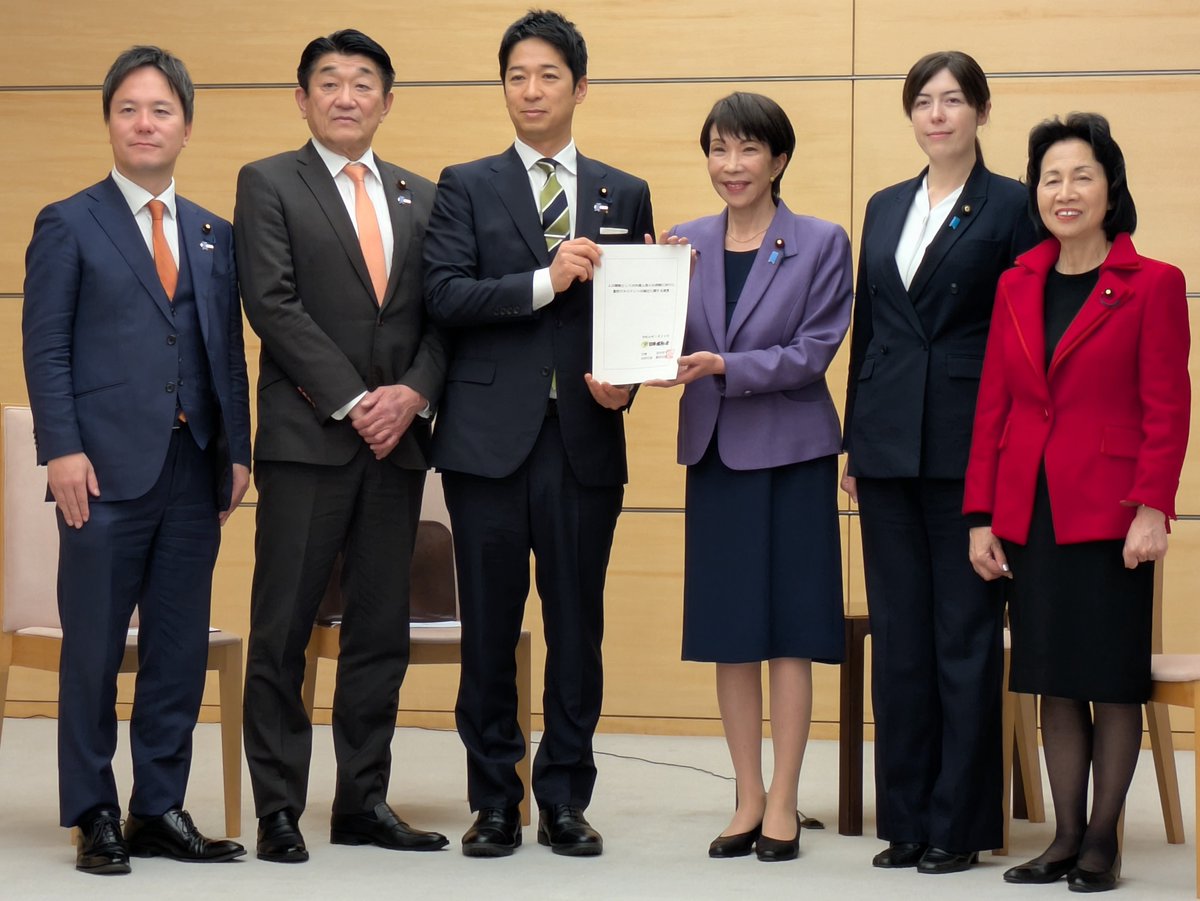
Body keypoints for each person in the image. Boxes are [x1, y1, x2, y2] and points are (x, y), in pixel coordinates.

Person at [423, 9, 653, 858]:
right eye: (517, 75)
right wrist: (541, 281)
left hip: (585, 437)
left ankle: (564, 794)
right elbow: (444, 294)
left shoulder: (622, 190)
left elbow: (634, 310)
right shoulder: (466, 184)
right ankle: (493, 798)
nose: (531, 89)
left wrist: (629, 376)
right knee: (488, 628)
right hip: (486, 441)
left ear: (579, 87)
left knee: (576, 628)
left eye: (548, 74)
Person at [22, 45, 251, 874]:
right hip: (101, 475)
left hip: (194, 470)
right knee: (92, 650)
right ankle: (94, 812)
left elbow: (227, 352)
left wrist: (239, 450)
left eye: (161, 109)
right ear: (109, 122)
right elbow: (45, 347)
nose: (145, 122)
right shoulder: (68, 221)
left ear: (186, 126)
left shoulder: (212, 233)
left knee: (178, 650)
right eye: (129, 109)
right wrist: (62, 449)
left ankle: (159, 805)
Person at [236, 29, 447, 863]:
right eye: (330, 82)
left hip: (397, 444)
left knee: (378, 632)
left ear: (387, 102)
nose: (347, 96)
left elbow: (440, 316)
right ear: (302, 98)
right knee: (282, 627)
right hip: (307, 441)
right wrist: (359, 401)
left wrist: (415, 393)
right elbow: (273, 304)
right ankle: (278, 806)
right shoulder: (268, 183)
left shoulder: (421, 196)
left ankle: (363, 798)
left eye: (364, 83)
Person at [965, 112, 1190, 893]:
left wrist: (1153, 507)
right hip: (1031, 511)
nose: (1065, 191)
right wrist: (981, 514)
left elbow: (1168, 405)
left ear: (1110, 188)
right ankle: (1062, 836)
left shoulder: (1152, 284)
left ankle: (1103, 840)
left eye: (1081, 175)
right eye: (1051, 177)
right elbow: (994, 403)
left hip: (1112, 512)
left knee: (1112, 677)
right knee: (1052, 678)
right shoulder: (1016, 282)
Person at [841, 50, 1037, 874]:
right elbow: (871, 330)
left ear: (982, 113)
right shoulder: (885, 206)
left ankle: (960, 825)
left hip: (969, 443)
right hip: (886, 444)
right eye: (923, 101)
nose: (937, 115)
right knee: (902, 638)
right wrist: (853, 437)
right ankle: (907, 818)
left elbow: (1026, 337)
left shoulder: (1014, 206)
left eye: (954, 100)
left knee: (963, 636)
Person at [647, 92, 851, 862]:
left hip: (792, 456)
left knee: (790, 633)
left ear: (779, 160)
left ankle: (788, 799)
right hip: (716, 456)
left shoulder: (821, 241)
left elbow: (815, 349)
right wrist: (639, 298)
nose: (731, 166)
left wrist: (726, 365)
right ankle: (746, 794)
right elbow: (659, 336)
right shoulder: (683, 242)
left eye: (748, 151)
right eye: (719, 150)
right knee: (731, 634)